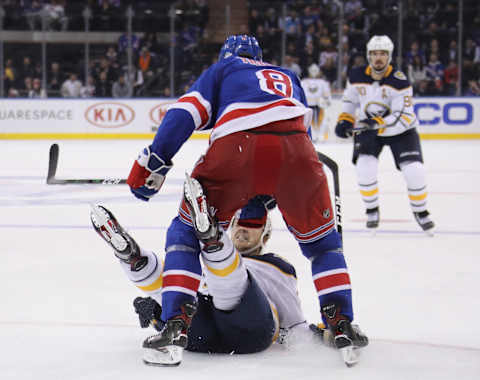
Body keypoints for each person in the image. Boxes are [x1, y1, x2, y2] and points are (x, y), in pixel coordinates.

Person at [124, 35, 367, 366]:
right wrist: (269, 186)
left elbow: (186, 113)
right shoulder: (288, 77)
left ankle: (175, 326)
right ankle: (342, 322)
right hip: (299, 154)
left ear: (227, 55)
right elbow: (299, 138)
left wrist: (155, 161)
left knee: (184, 232)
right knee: (324, 246)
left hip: (238, 146)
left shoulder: (225, 69)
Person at [91, 198, 352, 365]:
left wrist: (332, 332)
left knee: (234, 283)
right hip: (200, 338)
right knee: (179, 292)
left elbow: (293, 323)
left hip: (252, 332)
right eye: (239, 224)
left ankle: (203, 245)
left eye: (252, 226)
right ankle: (134, 258)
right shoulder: (204, 268)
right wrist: (157, 314)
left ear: (265, 235)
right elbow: (188, 295)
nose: (242, 229)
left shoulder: (276, 265)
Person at [334, 35, 435, 234]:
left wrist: (375, 122)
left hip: (401, 131)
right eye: (374, 54)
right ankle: (372, 210)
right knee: (364, 169)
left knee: (415, 171)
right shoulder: (355, 75)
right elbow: (350, 101)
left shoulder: (400, 81)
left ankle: (421, 212)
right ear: (368, 55)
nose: (378, 58)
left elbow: (402, 116)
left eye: (382, 54)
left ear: (389, 56)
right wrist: (344, 119)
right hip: (369, 129)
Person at [301, 63, 332, 142]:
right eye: (312, 70)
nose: (314, 72)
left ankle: (320, 136)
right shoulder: (304, 82)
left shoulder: (322, 82)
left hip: (319, 105)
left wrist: (327, 101)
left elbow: (327, 95)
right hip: (307, 105)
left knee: (321, 122)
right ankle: (311, 137)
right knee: (308, 122)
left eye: (315, 70)